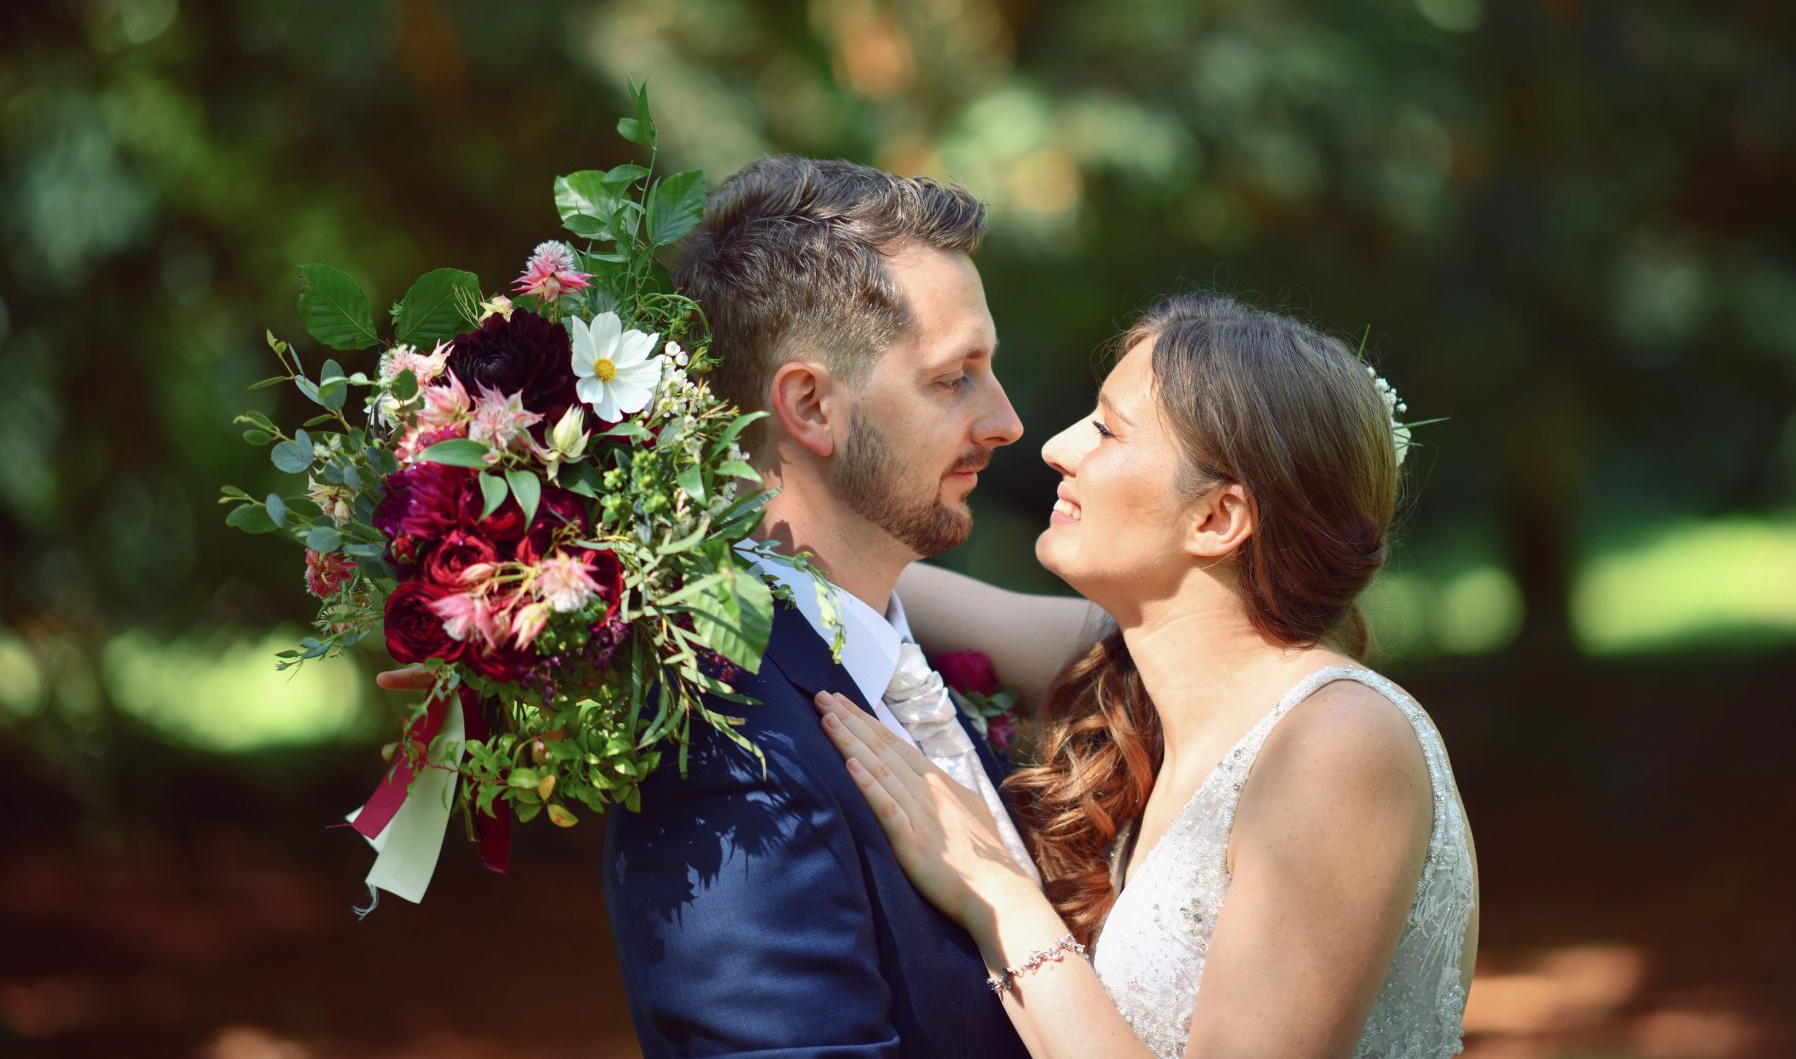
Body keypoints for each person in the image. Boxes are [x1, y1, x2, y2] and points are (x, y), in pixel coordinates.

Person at [815, 294, 1481, 1059]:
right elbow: (866, 581)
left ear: (1217, 519)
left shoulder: (1338, 747)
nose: (1056, 448)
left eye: (1106, 429)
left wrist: (994, 889)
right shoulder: (1129, 670)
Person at [598, 155, 1036, 1057]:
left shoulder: (892, 664)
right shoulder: (726, 747)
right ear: (810, 405)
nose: (1006, 421)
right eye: (955, 377)